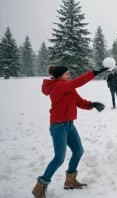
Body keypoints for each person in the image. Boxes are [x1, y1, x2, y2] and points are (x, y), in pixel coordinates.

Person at [32, 66, 108, 197]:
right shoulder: (59, 86)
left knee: (78, 151)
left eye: (69, 73)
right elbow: (77, 82)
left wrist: (92, 104)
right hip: (58, 127)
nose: (69, 75)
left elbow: (79, 101)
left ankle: (70, 180)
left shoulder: (68, 86)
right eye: (66, 73)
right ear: (59, 76)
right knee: (59, 158)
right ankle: (40, 186)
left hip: (69, 125)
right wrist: (95, 72)